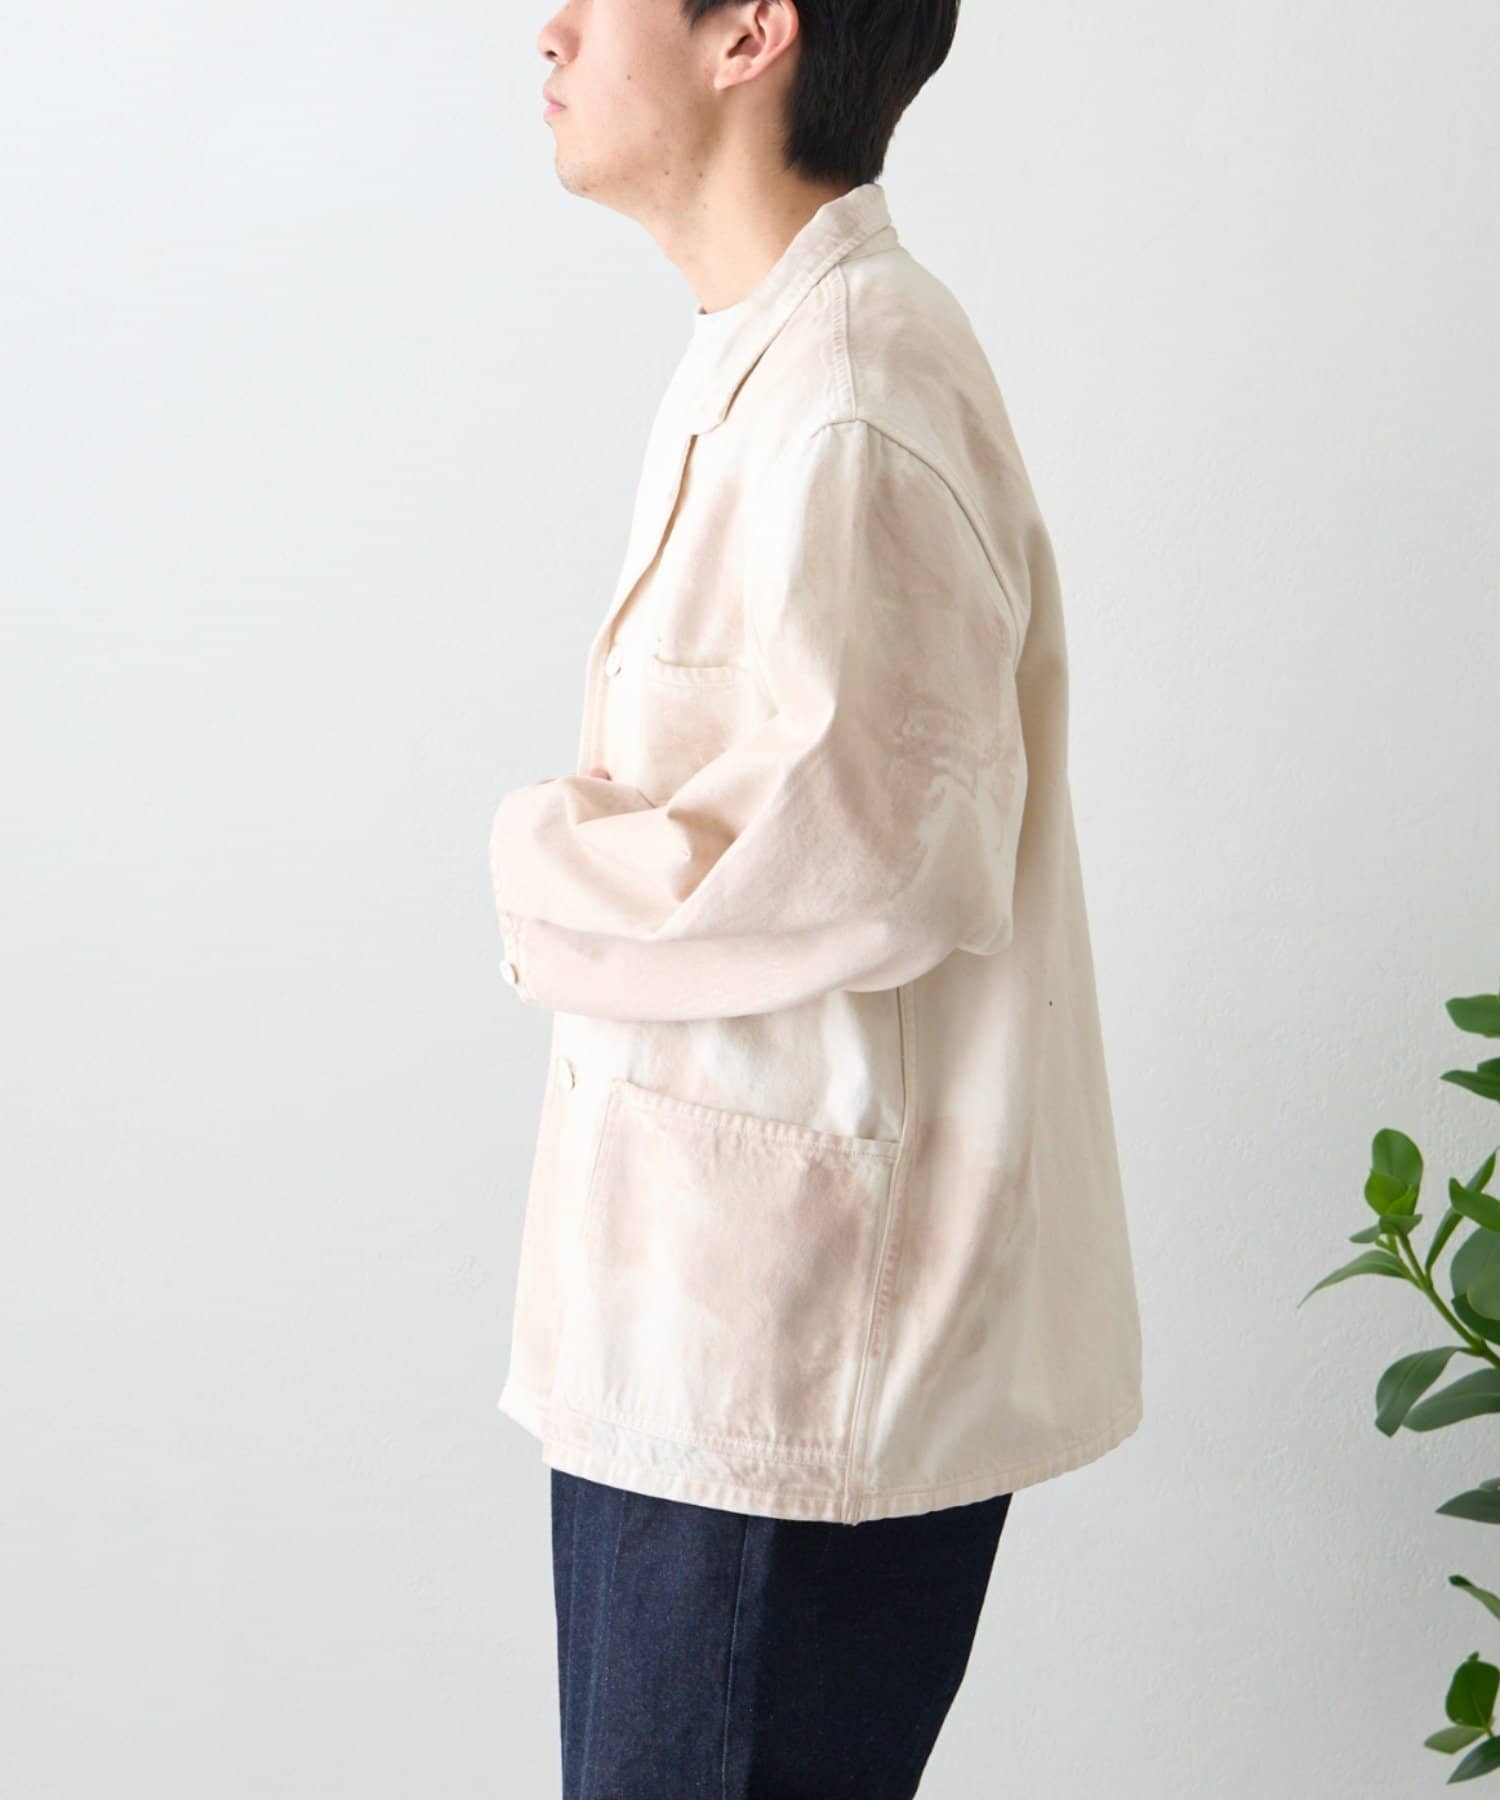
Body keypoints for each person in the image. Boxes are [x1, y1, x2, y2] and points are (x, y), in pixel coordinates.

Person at [489, 1, 1144, 1792]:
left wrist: (538, 858)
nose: (550, 29)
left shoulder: (854, 397)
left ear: (752, 33)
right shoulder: (770, 356)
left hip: (785, 1371)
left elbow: (881, 850)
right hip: (704, 1346)